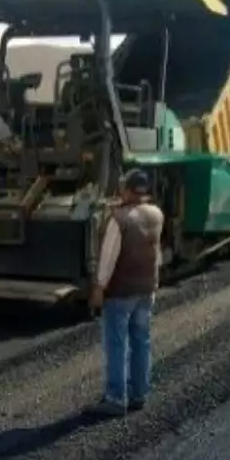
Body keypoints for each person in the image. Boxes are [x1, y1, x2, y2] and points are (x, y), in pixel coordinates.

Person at [87, 169, 165, 417]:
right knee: (141, 341)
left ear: (128, 189)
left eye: (122, 187)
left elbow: (109, 257)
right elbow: (156, 252)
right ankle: (139, 393)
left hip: (121, 292)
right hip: (146, 289)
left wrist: (99, 288)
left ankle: (115, 398)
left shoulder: (118, 220)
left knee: (117, 344)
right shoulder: (156, 214)